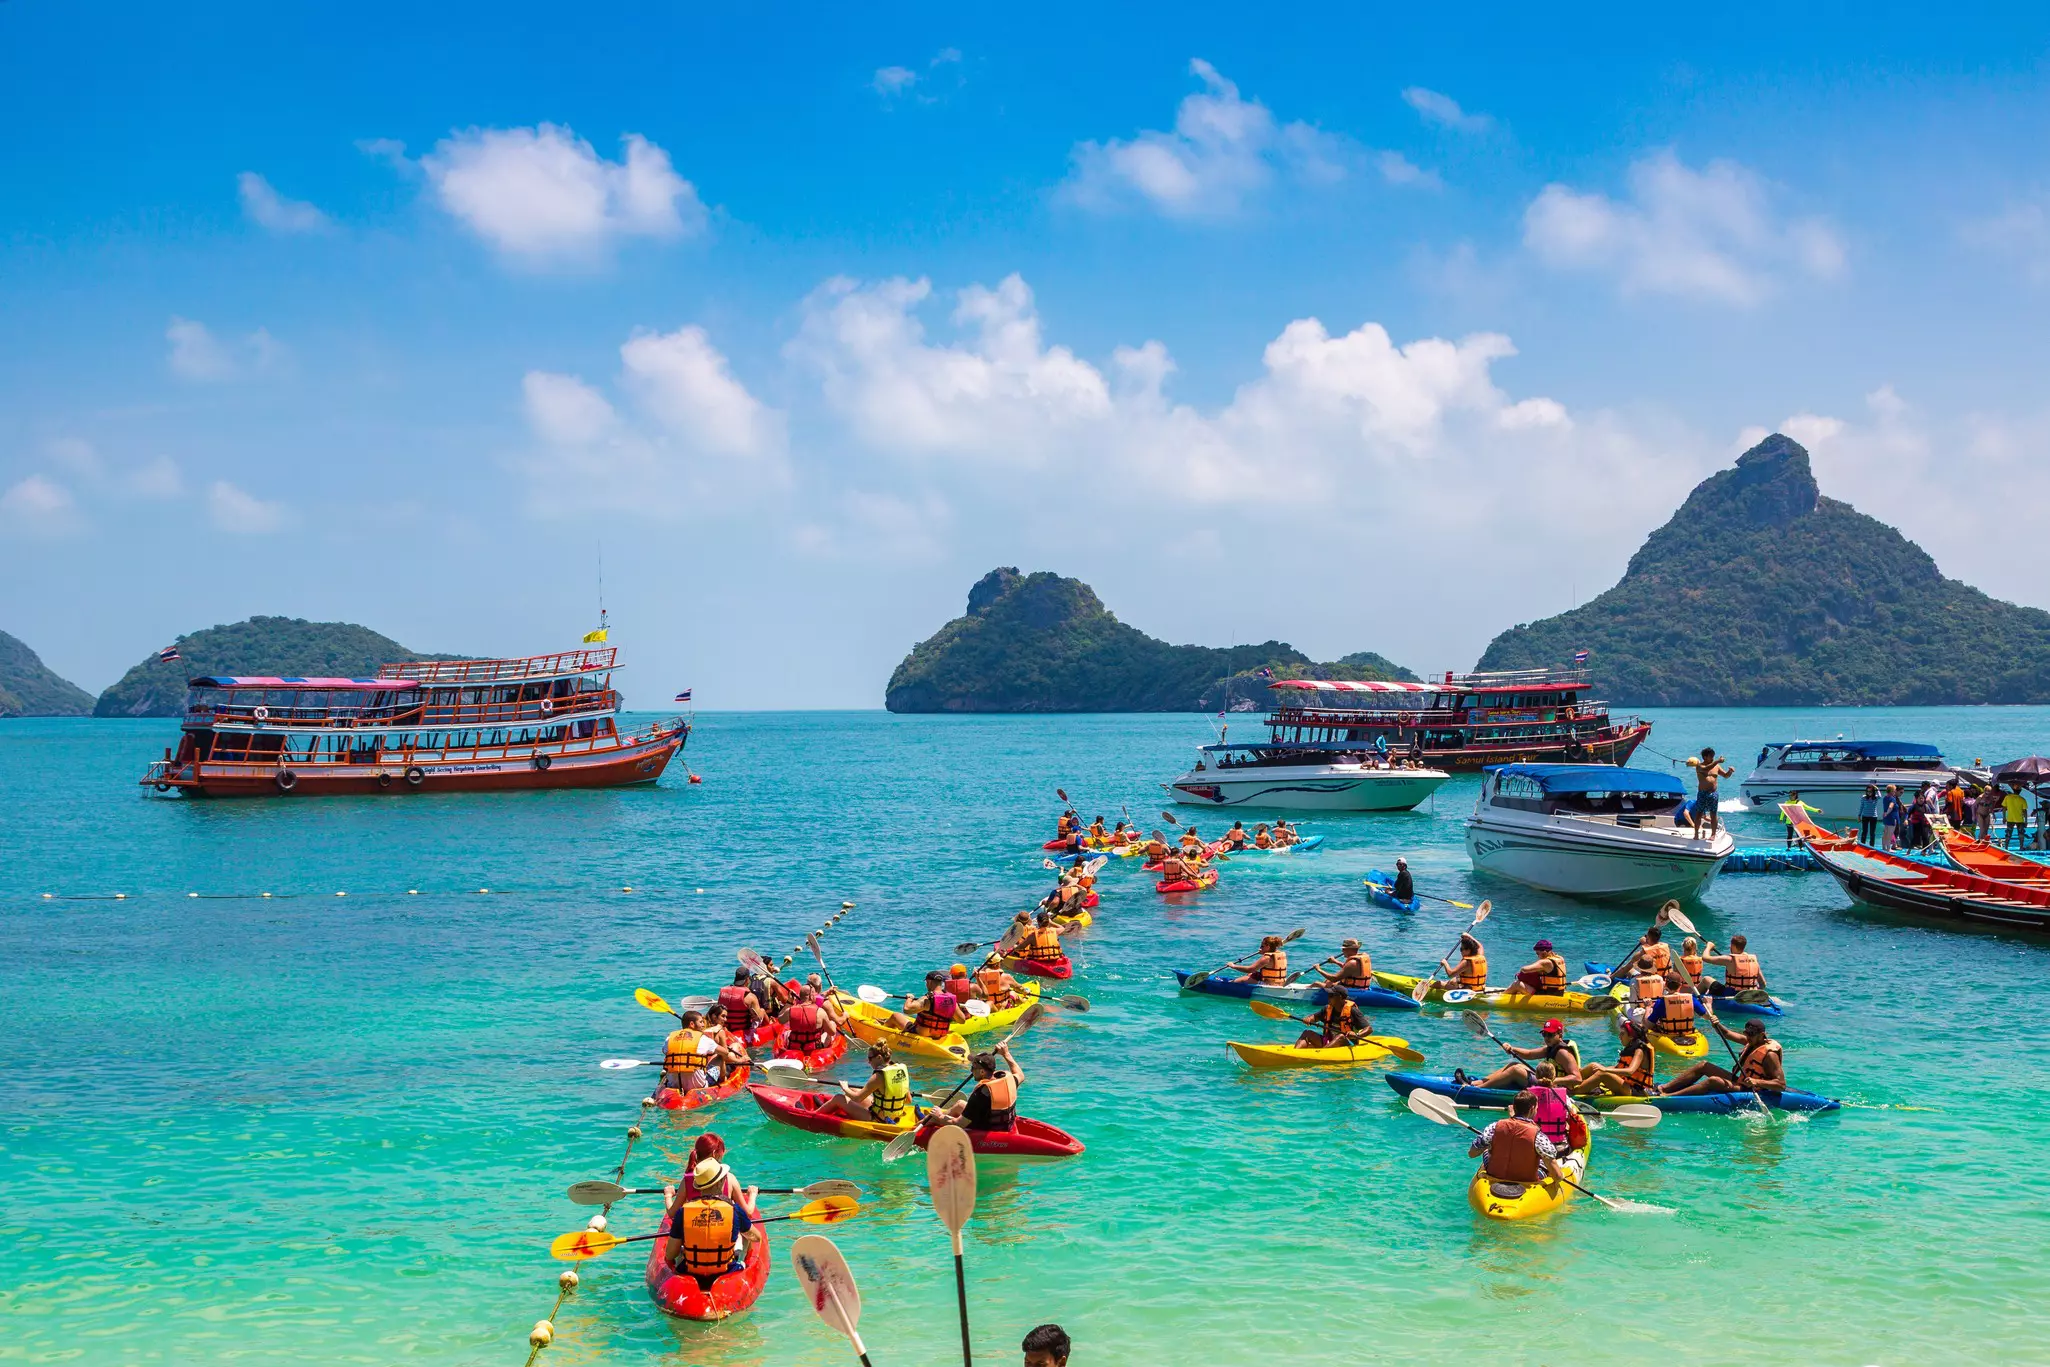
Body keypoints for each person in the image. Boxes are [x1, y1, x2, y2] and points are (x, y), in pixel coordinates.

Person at [666, 1155, 759, 1285]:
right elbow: (756, 1237)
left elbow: (670, 1254)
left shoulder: (683, 1212)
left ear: (698, 1186)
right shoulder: (734, 1210)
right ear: (721, 1182)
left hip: (689, 1271)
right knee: (746, 1236)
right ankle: (742, 1260)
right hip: (727, 1271)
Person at [1660, 1013, 1786, 1096]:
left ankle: (1669, 1097)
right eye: (1747, 1033)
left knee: (1713, 1081)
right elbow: (1726, 1034)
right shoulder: (1750, 1041)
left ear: (1762, 1035)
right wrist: (1716, 1023)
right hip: (1742, 1081)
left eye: (1752, 1035)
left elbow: (1781, 1084)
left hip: (1752, 1089)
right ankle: (1664, 1088)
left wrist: (1756, 1082)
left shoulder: (1770, 1054)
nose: (1748, 1037)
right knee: (1704, 1065)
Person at [1466, 1090, 1562, 1190]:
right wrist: (1559, 1177)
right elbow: (1557, 1175)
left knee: (1486, 1150)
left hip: (1495, 1176)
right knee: (1544, 1162)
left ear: (1514, 1107)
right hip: (1525, 1181)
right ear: (1532, 1109)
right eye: (1537, 1108)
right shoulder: (1538, 1136)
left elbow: (1472, 1153)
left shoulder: (1494, 1127)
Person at [819, 1042, 916, 1125]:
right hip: (895, 1115)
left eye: (870, 1058)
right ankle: (842, 1109)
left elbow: (857, 1098)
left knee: (838, 1098)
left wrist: (845, 1088)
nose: (869, 1062)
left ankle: (813, 1115)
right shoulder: (900, 1070)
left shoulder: (878, 1076)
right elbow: (908, 1100)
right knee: (854, 1090)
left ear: (878, 1057)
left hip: (878, 1119)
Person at [935, 1041, 1023, 1131]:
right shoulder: (1008, 1080)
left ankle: (931, 1122)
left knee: (943, 1117)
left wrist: (940, 1117)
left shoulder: (980, 1094)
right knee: (960, 1104)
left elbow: (959, 1123)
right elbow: (1020, 1075)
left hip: (988, 1131)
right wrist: (1006, 1054)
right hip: (1005, 1124)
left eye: (973, 1067)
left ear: (982, 1072)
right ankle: (930, 1120)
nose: (971, 1070)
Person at [1473, 1019, 1582, 1088]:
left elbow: (1577, 1078)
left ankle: (1480, 1089)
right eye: (1544, 1034)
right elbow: (1529, 1054)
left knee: (1515, 1070)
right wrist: (1512, 1048)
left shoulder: (1563, 1053)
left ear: (1560, 1034)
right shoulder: (1551, 1047)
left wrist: (1552, 1080)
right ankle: (1478, 1082)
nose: (1546, 1038)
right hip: (1545, 1081)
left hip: (1555, 1087)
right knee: (1514, 1065)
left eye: (1550, 1035)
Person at [1570, 1019, 1657, 1097]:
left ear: (1631, 1036)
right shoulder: (1631, 1047)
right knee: (1594, 1066)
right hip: (1626, 1084)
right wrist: (1600, 1069)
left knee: (1602, 1074)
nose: (1619, 1036)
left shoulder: (1640, 1050)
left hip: (1636, 1090)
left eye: (1622, 1034)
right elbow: (1619, 1068)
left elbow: (1630, 1071)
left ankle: (1572, 1093)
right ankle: (1571, 1082)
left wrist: (1605, 1070)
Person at [1292, 984, 1370, 1049]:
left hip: (1348, 1044)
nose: (1328, 997)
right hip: (1329, 1042)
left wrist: (1357, 1035)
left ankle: (1322, 1054)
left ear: (1339, 997)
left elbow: (1369, 1029)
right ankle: (1294, 1054)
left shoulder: (1353, 1011)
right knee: (1307, 1033)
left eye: (1331, 995)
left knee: (1341, 1036)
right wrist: (1308, 1019)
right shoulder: (1327, 1009)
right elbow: (1314, 1017)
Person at [661, 1009, 720, 1093]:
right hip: (698, 1085)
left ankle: (665, 1080)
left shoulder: (670, 1038)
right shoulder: (703, 1039)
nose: (703, 1025)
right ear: (692, 1024)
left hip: (674, 1085)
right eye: (701, 1022)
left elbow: (664, 1051)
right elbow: (724, 1052)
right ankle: (722, 1082)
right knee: (720, 1058)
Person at [1683, 746, 1734, 838]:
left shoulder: (1716, 766)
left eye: (1713, 756)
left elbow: (1725, 776)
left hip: (1713, 793)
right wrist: (1717, 761)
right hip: (1702, 793)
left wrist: (1730, 771)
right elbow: (1706, 769)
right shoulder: (1699, 766)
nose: (1713, 758)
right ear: (1705, 757)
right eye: (1711, 756)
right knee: (1699, 813)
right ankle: (1696, 834)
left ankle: (1713, 834)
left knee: (1713, 814)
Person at [896, 969, 961, 1041]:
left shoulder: (927, 999)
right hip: (941, 1034)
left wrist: (909, 998)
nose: (926, 985)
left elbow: (906, 1010)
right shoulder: (951, 1000)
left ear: (929, 982)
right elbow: (961, 1020)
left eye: (926, 982)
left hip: (922, 1034)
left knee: (895, 1016)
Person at [780, 984, 841, 1059]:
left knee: (787, 1032)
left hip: (794, 1047)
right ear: (811, 996)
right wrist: (833, 1025)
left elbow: (780, 1019)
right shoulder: (820, 1012)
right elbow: (832, 1032)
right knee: (832, 1024)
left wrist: (789, 1002)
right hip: (814, 1048)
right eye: (814, 994)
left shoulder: (790, 1010)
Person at [1700, 934, 1766, 998]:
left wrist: (1709, 946)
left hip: (1731, 994)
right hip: (1750, 994)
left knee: (1706, 979)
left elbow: (1705, 958)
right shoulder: (1753, 960)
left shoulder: (1729, 959)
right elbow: (1763, 984)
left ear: (1733, 946)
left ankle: (1696, 999)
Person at [2003, 785, 2030, 849]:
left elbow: (2004, 808)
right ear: (2020, 791)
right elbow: (2025, 811)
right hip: (2020, 819)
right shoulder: (2022, 799)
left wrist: (2004, 817)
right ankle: (2021, 847)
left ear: (2013, 790)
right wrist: (2026, 821)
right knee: (2021, 834)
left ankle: (2006, 847)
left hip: (2010, 818)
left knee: (2008, 834)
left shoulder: (2008, 797)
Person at [1883, 784, 1906, 850]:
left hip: (1888, 817)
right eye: (1895, 790)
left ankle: (1885, 847)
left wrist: (1885, 813)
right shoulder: (1893, 799)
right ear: (1892, 791)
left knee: (1886, 833)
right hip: (1892, 817)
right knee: (1890, 833)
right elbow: (1890, 806)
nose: (1895, 792)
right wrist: (1887, 813)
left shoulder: (1885, 797)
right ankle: (1889, 848)